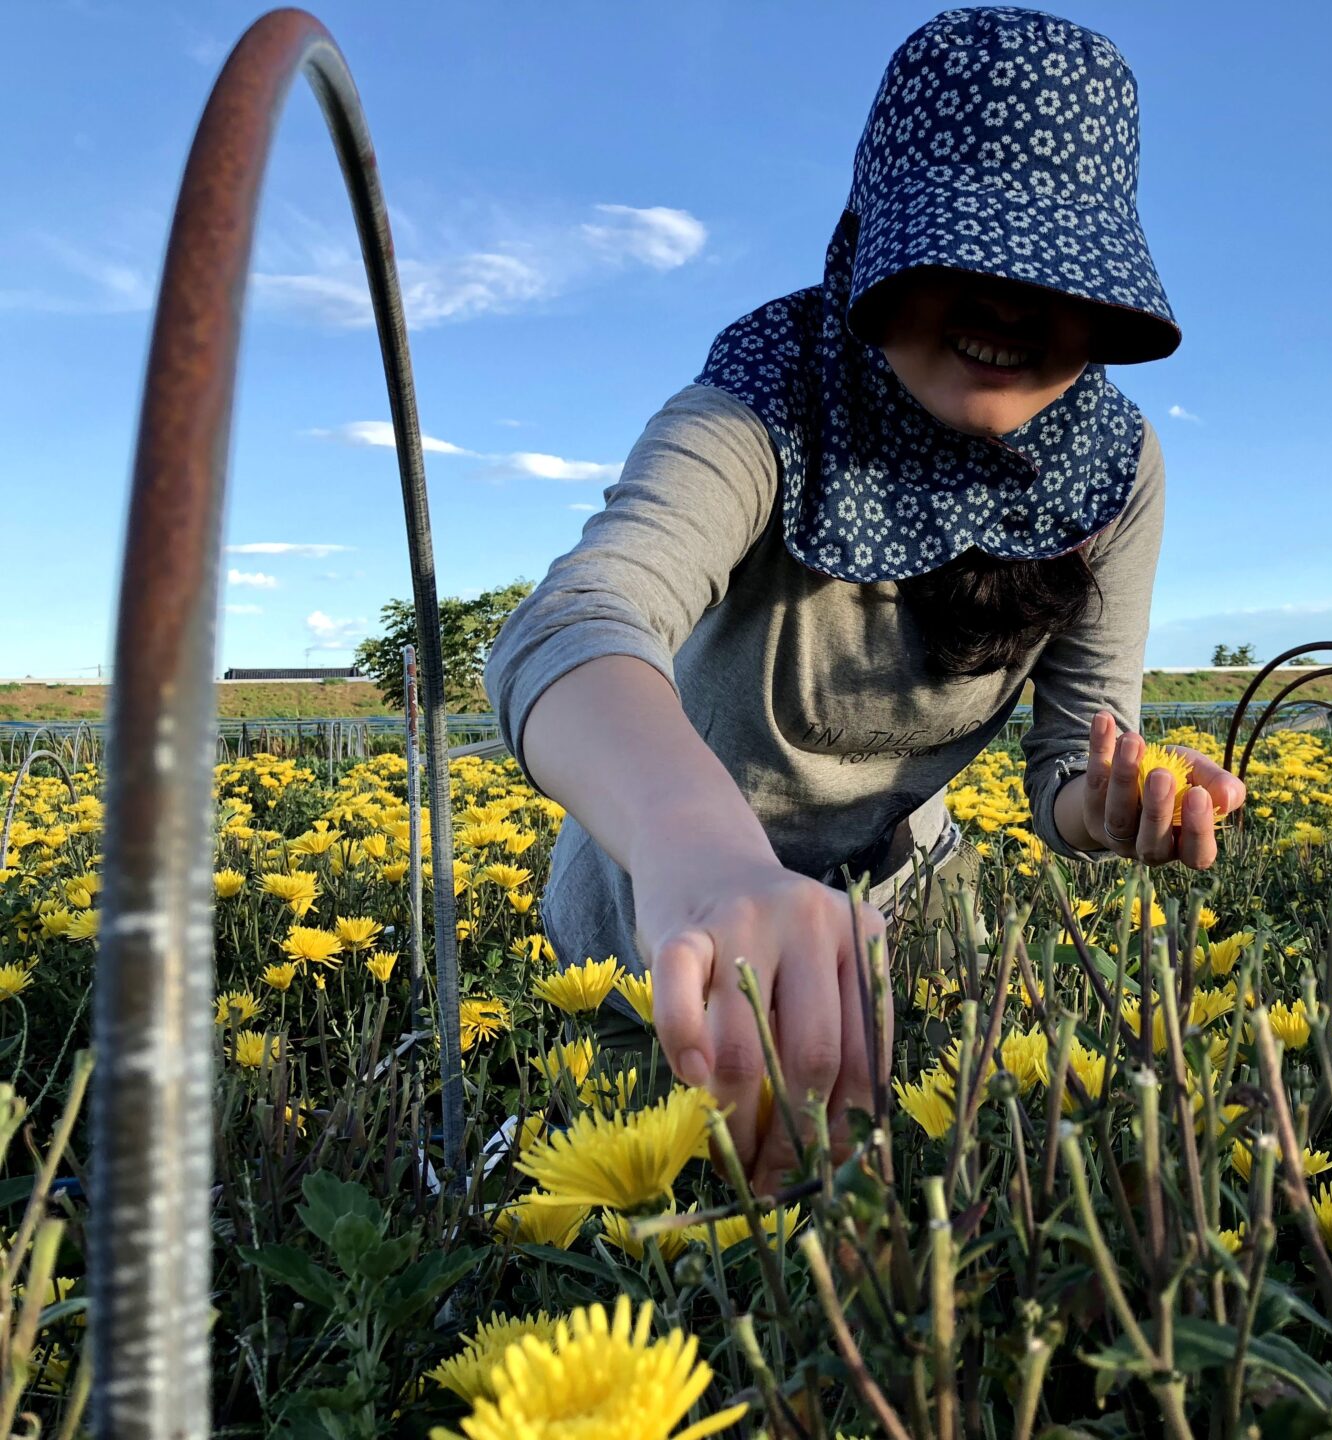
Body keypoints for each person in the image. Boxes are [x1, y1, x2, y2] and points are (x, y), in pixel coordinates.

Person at [483, 5, 1246, 1191]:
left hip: (903, 927)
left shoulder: (1116, 469)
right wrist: (708, 856)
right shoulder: (766, 399)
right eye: (963, 255)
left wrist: (1111, 805)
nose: (1004, 308)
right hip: (667, 925)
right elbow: (579, 622)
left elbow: (1069, 758)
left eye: (1051, 274)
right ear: (874, 247)